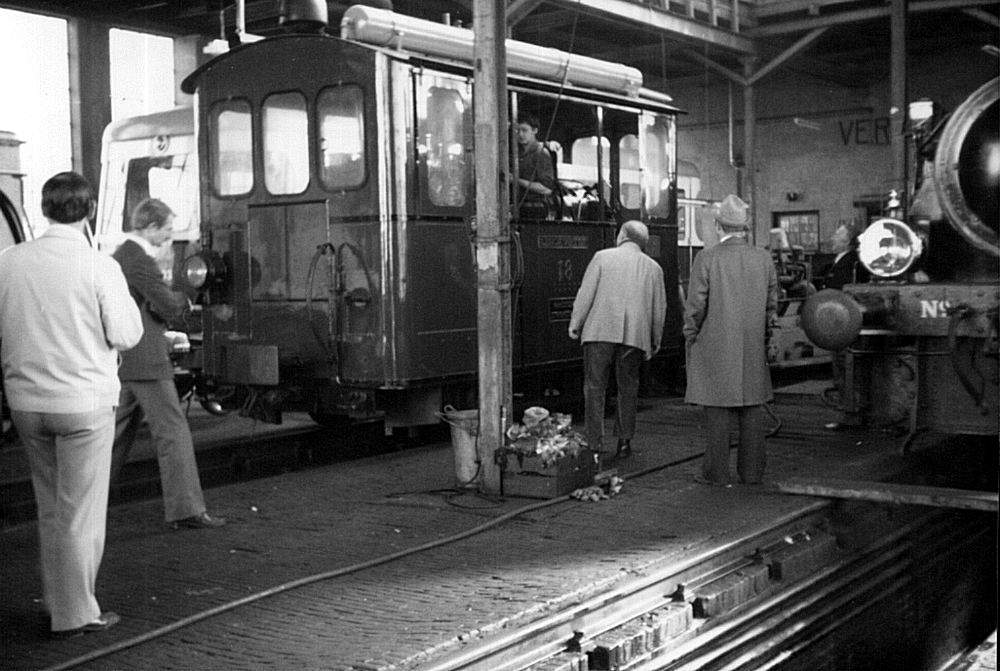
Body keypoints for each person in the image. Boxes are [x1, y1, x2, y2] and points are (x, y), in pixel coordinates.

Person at [0, 171, 142, 637]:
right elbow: (126, 334)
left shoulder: (8, 262)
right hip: (84, 405)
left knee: (51, 507)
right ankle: (76, 613)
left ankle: (57, 601)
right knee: (81, 512)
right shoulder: (99, 265)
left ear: (44, 209)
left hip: (26, 404)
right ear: (90, 210)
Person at [111, 198, 226, 530]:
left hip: (124, 359)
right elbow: (168, 305)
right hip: (145, 359)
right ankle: (187, 510)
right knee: (173, 433)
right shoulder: (139, 260)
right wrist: (186, 299)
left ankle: (81, 500)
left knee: (112, 438)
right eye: (167, 229)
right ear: (151, 227)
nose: (169, 236)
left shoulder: (119, 256)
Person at [683, 194, 777, 485]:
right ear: (745, 227)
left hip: (715, 345)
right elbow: (771, 306)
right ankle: (751, 473)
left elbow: (696, 306)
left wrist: (691, 335)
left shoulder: (707, 258)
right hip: (752, 346)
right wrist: (764, 337)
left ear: (718, 225)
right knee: (752, 409)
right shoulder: (763, 258)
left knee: (717, 411)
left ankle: (716, 473)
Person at [568, 220, 667, 463]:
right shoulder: (654, 268)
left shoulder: (602, 257)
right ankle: (624, 442)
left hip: (600, 331)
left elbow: (586, 293)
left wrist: (575, 323)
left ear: (621, 235)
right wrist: (655, 339)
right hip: (634, 336)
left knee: (595, 387)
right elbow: (659, 309)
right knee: (628, 388)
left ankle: (594, 444)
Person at [513, 115, 556, 218]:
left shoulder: (541, 153)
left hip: (536, 210)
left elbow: (546, 188)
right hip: (520, 208)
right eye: (517, 131)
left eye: (524, 130)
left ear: (535, 131)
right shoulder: (518, 154)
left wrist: (516, 180)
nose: (520, 134)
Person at [823, 223, 870, 290]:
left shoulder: (851, 262)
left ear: (847, 241)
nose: (832, 238)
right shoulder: (838, 260)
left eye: (837, 235)